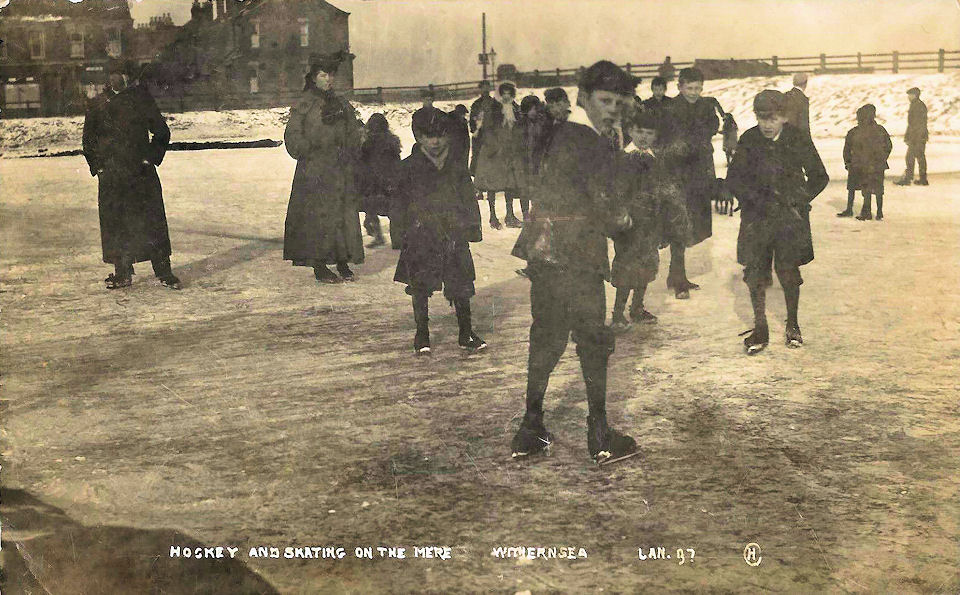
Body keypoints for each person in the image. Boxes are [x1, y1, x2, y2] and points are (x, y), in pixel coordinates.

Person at [510, 60, 638, 464]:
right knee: (591, 340)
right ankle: (599, 434)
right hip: (578, 252)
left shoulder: (560, 133)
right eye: (604, 100)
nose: (613, 109)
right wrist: (626, 223)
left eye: (619, 102)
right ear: (583, 98)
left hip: (545, 250)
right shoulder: (588, 140)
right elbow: (606, 205)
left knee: (546, 335)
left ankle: (530, 429)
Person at [726, 90, 828, 355]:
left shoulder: (797, 138)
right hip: (757, 217)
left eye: (772, 118)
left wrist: (798, 200)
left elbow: (819, 176)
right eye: (762, 118)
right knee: (756, 272)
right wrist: (751, 198)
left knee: (788, 271)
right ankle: (760, 327)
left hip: (788, 218)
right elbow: (734, 178)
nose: (767, 125)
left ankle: (792, 324)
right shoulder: (749, 139)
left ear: (783, 117)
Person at [391, 107, 486, 355]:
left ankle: (466, 332)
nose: (435, 142)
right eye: (428, 136)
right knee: (420, 286)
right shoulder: (409, 167)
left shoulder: (456, 166)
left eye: (440, 135)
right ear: (418, 138)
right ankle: (422, 333)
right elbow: (399, 203)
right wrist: (400, 233)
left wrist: (471, 228)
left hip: (453, 235)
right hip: (421, 235)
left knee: (461, 284)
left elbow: (468, 199)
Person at [82, 58, 180, 290]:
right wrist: (99, 167)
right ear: (108, 78)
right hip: (113, 176)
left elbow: (162, 132)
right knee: (116, 224)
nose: (118, 78)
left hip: (141, 173)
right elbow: (89, 140)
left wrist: (151, 158)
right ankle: (122, 272)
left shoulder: (141, 99)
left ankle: (164, 271)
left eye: (122, 73)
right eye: (113, 74)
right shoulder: (97, 104)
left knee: (151, 222)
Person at [282, 52, 364, 283]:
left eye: (331, 75)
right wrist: (310, 148)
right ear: (314, 77)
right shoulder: (305, 104)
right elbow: (292, 136)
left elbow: (354, 131)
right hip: (315, 171)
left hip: (340, 168)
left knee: (342, 214)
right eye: (323, 74)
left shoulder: (341, 103)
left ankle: (342, 260)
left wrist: (352, 146)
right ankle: (319, 264)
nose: (328, 79)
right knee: (318, 218)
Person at [610, 108, 684, 331]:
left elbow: (665, 192)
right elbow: (616, 192)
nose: (643, 137)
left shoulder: (657, 159)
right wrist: (620, 217)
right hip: (629, 224)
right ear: (631, 130)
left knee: (647, 265)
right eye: (639, 131)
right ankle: (617, 313)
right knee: (626, 267)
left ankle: (637, 308)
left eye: (649, 133)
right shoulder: (622, 159)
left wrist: (666, 224)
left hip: (651, 224)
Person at [659, 67, 718, 299]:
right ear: (680, 87)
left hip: (699, 173)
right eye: (690, 88)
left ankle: (676, 275)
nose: (694, 92)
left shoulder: (705, 106)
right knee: (679, 225)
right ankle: (678, 278)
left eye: (698, 88)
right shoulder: (670, 109)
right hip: (678, 173)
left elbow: (713, 126)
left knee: (693, 222)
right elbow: (665, 140)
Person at [474, 82, 524, 229]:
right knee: (492, 184)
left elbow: (518, 128)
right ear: (500, 94)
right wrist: (495, 147)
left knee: (509, 184)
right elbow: (487, 129)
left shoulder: (515, 108)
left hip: (510, 152)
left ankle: (510, 216)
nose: (507, 96)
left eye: (509, 93)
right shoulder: (493, 109)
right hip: (494, 151)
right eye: (504, 93)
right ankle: (493, 216)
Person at [839, 104, 892, 221]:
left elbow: (847, 149)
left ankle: (857, 210)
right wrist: (883, 158)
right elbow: (888, 146)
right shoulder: (880, 130)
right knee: (876, 189)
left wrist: (848, 162)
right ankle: (878, 212)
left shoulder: (856, 131)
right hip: (875, 164)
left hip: (859, 164)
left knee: (859, 188)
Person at [358, 113, 402, 247]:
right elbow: (396, 161)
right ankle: (397, 239)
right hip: (389, 179)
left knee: (371, 207)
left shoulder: (368, 142)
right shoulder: (392, 141)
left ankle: (378, 235)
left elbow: (362, 161)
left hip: (373, 180)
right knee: (392, 209)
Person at [895, 87, 928, 186]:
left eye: (910, 95)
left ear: (915, 95)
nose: (908, 97)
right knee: (919, 156)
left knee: (910, 157)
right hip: (920, 136)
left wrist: (911, 137)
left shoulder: (917, 106)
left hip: (917, 136)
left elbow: (915, 124)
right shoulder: (918, 105)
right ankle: (923, 179)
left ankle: (908, 178)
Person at [469, 80, 498, 176]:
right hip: (480, 135)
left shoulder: (494, 103)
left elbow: (498, 118)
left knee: (492, 157)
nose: (485, 90)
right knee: (477, 157)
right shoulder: (476, 104)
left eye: (487, 87)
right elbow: (472, 121)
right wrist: (475, 129)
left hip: (491, 134)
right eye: (483, 87)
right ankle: (478, 184)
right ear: (480, 89)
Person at [784, 73, 811, 137]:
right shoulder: (803, 99)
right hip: (797, 136)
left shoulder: (785, 95)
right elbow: (804, 123)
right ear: (805, 83)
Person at [447, 104, 471, 173]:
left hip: (462, 147)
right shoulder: (450, 121)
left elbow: (466, 138)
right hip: (453, 147)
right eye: (462, 114)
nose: (463, 115)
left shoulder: (463, 122)